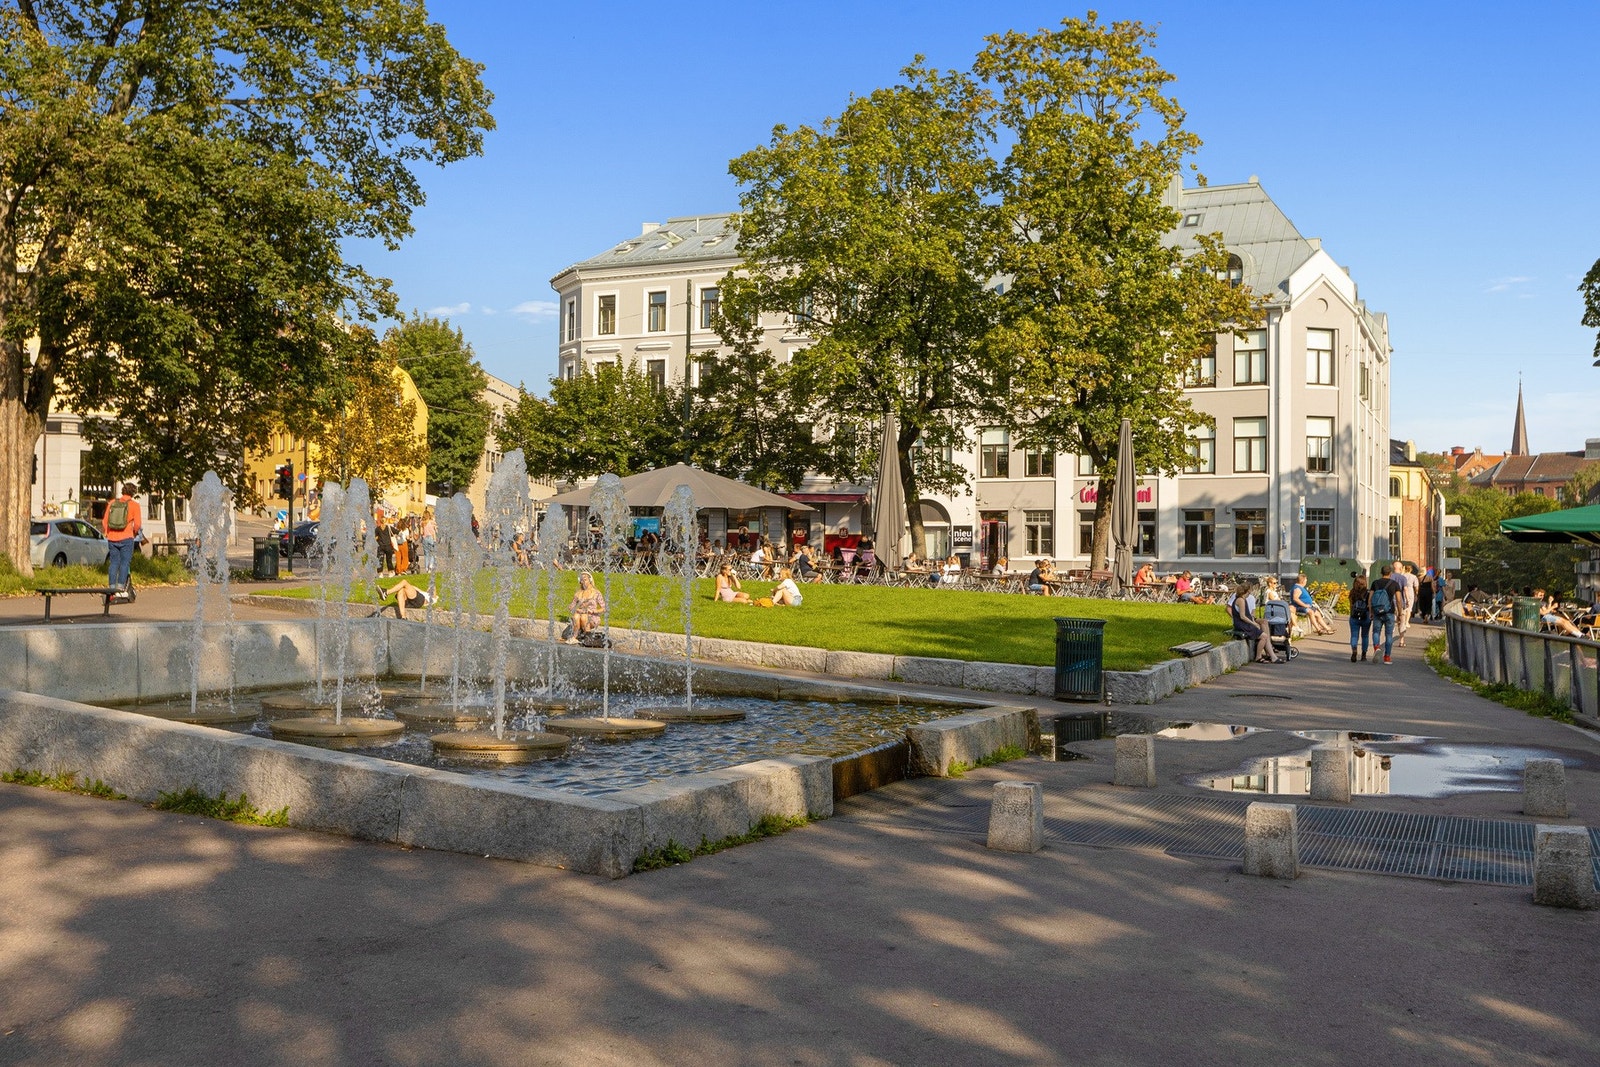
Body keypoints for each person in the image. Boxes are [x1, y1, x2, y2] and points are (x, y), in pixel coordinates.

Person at [101, 481, 143, 601]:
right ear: (133, 493)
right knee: (124, 563)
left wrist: (108, 533)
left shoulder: (112, 503)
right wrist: (133, 533)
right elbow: (138, 524)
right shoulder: (134, 505)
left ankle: (111, 589)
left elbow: (105, 521)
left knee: (114, 563)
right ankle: (120, 589)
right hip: (127, 538)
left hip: (112, 538)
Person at [1231, 583, 1278, 663]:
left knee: (1264, 635)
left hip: (1244, 624)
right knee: (1264, 637)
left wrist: (1253, 621)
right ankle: (1258, 656)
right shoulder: (1241, 600)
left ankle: (1263, 655)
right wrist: (1253, 624)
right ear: (1247, 591)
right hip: (1242, 625)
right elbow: (1242, 616)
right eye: (1249, 592)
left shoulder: (1241, 599)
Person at [1370, 564, 1402, 664]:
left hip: (1377, 611)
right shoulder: (1394, 584)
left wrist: (1371, 611)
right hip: (1389, 611)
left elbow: (1370, 598)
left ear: (1381, 573)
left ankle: (1376, 648)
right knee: (1389, 635)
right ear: (1391, 573)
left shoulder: (1375, 583)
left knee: (1376, 632)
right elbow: (1398, 600)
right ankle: (1387, 657)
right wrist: (1400, 613)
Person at [567, 571, 606, 642]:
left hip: (592, 616)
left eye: (585, 580)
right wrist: (571, 607)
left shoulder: (596, 592)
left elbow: (603, 608)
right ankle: (575, 636)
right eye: (582, 580)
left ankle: (587, 637)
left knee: (584, 617)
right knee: (576, 616)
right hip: (580, 615)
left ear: (590, 580)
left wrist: (594, 611)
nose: (583, 582)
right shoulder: (578, 593)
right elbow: (572, 606)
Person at [1347, 574, 1372, 662]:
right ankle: (1364, 655)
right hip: (1365, 616)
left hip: (1354, 616)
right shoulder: (1368, 593)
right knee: (1365, 636)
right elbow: (1370, 605)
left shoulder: (1352, 592)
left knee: (1354, 635)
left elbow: (1351, 605)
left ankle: (1354, 650)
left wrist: (1351, 614)